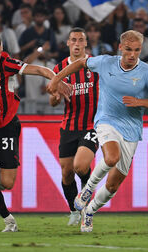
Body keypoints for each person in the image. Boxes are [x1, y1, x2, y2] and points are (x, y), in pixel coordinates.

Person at [48, 30, 148, 232]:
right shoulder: (106, 62)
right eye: (128, 49)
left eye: (137, 50)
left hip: (131, 129)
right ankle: (87, 191)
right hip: (106, 121)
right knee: (111, 158)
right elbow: (79, 63)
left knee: (112, 186)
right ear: (120, 48)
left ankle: (91, 211)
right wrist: (56, 79)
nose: (132, 55)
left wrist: (140, 102)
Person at [0, 32, 70, 232]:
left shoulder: (4, 62)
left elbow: (38, 69)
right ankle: (8, 219)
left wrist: (57, 80)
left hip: (6, 126)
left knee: (7, 183)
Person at [49, 27, 99, 226]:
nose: (77, 43)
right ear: (68, 43)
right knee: (67, 172)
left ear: (85, 44)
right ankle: (74, 210)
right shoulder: (58, 69)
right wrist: (55, 97)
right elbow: (53, 101)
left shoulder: (95, 65)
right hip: (68, 126)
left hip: (92, 126)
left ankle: (86, 202)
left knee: (81, 165)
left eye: (80, 40)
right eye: (73, 40)